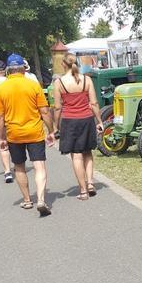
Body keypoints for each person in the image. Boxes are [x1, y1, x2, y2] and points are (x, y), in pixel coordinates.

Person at [0, 54, 56, 214]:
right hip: (34, 131)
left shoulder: (1, 89)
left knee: (19, 167)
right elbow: (44, 111)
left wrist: (1, 137)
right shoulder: (33, 85)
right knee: (39, 165)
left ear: (8, 70)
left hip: (14, 134)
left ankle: (27, 200)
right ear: (23, 68)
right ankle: (41, 199)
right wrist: (51, 131)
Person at [53, 54, 104, 200]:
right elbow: (94, 103)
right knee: (87, 152)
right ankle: (91, 184)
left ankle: (83, 190)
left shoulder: (59, 83)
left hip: (69, 121)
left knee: (76, 156)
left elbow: (57, 108)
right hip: (86, 119)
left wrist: (55, 127)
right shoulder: (86, 80)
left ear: (63, 64)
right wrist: (99, 121)